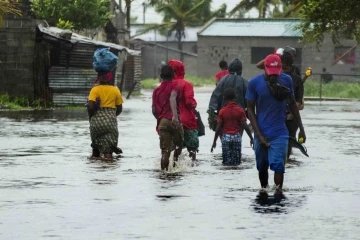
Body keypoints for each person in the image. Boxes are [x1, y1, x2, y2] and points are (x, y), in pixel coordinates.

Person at [246, 54, 306, 195]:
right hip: (261, 132)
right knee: (262, 167)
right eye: (270, 72)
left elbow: (292, 104)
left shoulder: (287, 80)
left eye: (276, 73)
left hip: (280, 133)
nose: (273, 76)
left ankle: (278, 195)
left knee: (279, 167)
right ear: (265, 69)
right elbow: (250, 109)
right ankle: (264, 192)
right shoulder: (254, 83)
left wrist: (301, 129)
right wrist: (259, 135)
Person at [211, 88, 254, 165]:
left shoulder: (222, 111)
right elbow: (245, 126)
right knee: (237, 162)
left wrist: (214, 142)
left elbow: (218, 128)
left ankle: (228, 175)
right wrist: (251, 138)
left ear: (224, 98)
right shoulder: (240, 110)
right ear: (235, 97)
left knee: (226, 162)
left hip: (226, 138)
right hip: (237, 137)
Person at [152, 65, 183, 170]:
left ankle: (164, 174)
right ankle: (175, 168)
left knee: (165, 152)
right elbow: (172, 98)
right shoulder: (175, 86)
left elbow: (154, 110)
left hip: (162, 122)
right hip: (174, 120)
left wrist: (160, 120)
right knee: (179, 146)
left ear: (160, 76)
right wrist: (174, 116)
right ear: (173, 75)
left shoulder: (156, 91)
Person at [88, 71, 124, 159]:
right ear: (110, 78)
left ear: (99, 78)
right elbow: (119, 108)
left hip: (96, 123)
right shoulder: (115, 90)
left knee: (95, 149)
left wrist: (92, 118)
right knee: (108, 151)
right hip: (110, 122)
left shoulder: (95, 90)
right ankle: (108, 169)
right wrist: (111, 116)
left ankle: (94, 170)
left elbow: (90, 107)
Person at [168, 60, 199, 160]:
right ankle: (192, 167)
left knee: (172, 149)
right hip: (188, 121)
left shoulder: (166, 85)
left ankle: (172, 169)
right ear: (182, 71)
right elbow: (190, 102)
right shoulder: (187, 84)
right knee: (192, 148)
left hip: (171, 120)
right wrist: (195, 104)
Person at [208, 58, 248, 132]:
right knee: (238, 136)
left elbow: (215, 97)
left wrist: (211, 114)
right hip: (239, 116)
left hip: (224, 115)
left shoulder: (222, 80)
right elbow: (249, 100)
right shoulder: (244, 82)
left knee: (223, 136)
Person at [281, 53, 304, 160]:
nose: (283, 71)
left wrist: (292, 114)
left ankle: (286, 162)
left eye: (285, 68)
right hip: (277, 116)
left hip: (291, 117)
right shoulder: (274, 78)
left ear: (291, 67)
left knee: (289, 142)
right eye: (281, 67)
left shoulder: (297, 80)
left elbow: (299, 102)